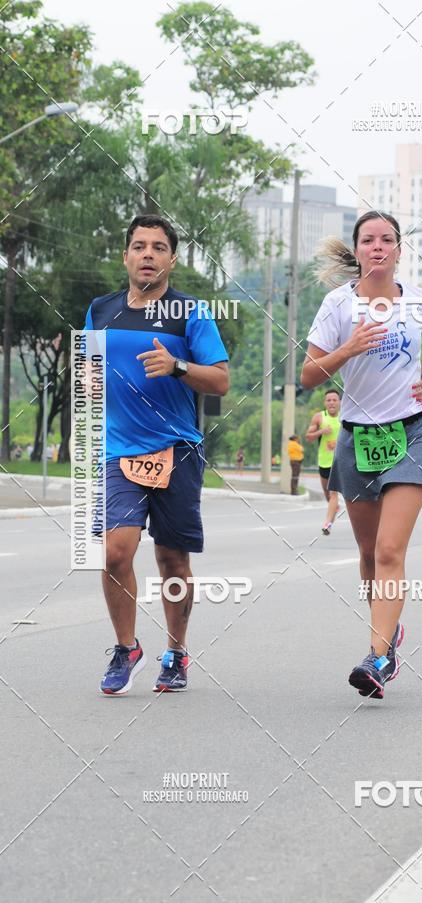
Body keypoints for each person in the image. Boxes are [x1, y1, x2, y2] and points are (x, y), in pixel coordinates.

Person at [301, 210, 422, 700]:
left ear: (398, 249)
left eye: (387, 240)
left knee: (389, 549)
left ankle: (378, 655)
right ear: (358, 249)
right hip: (357, 439)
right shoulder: (337, 305)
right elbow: (308, 376)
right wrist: (346, 351)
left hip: (412, 433)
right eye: (368, 240)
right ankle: (386, 639)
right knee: (368, 554)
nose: (378, 248)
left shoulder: (418, 301)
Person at [85, 214, 229, 695]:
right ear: (125, 255)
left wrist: (177, 366)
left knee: (172, 561)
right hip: (115, 450)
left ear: (171, 259)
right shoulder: (100, 310)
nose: (148, 254)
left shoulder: (190, 312)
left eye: (158, 247)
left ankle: (176, 651)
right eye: (139, 246)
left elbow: (221, 380)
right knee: (113, 552)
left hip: (176, 450)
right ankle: (126, 648)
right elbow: (88, 376)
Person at [306, 388, 342, 534]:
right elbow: (308, 437)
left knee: (333, 493)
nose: (332, 403)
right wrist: (321, 431)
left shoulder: (345, 417)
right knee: (328, 494)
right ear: (325, 403)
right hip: (324, 461)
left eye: (334, 400)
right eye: (329, 400)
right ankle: (334, 509)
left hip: (339, 461)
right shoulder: (319, 417)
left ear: (339, 402)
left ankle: (327, 524)